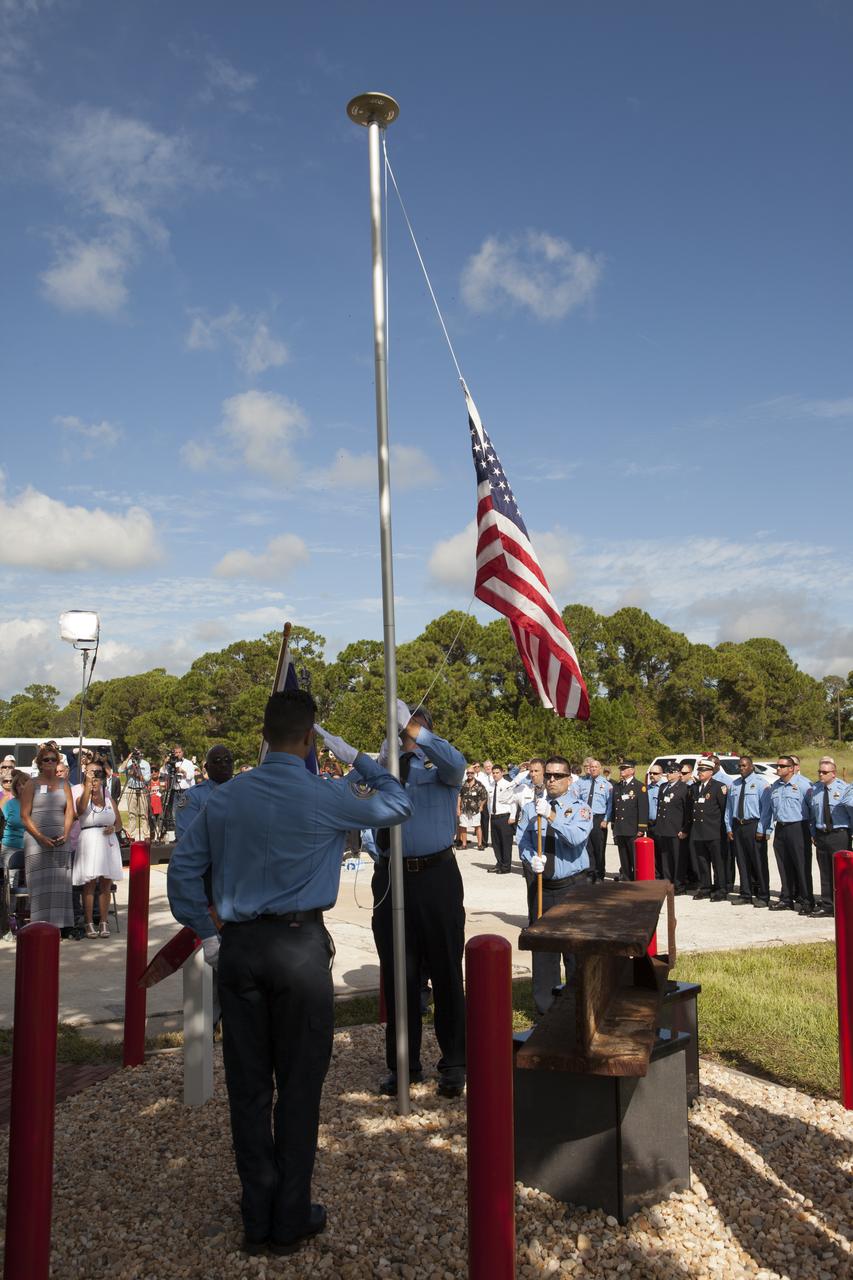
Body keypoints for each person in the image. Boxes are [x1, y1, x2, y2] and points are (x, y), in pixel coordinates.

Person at [167, 689, 411, 1257]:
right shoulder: (324, 795)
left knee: (249, 1087)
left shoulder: (224, 799)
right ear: (309, 738)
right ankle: (290, 1214)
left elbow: (184, 872)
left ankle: (258, 1214)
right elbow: (397, 803)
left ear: (264, 734)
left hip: (241, 948)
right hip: (300, 949)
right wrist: (359, 759)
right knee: (300, 1086)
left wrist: (207, 936)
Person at [371, 701, 467, 1099]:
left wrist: (419, 735)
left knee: (446, 970)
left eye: (415, 725)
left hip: (436, 876)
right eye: (402, 727)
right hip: (391, 877)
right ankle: (404, 1065)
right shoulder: (384, 765)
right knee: (399, 976)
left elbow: (456, 764)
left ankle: (455, 1063)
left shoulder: (440, 764)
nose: (405, 731)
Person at [516, 756, 593, 1015]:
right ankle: (546, 1011)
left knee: (574, 950)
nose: (551, 780)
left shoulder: (580, 808)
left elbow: (575, 838)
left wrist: (550, 816)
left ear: (569, 780)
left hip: (572, 887)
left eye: (557, 776)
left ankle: (576, 1008)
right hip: (543, 886)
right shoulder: (531, 807)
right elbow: (524, 841)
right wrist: (530, 859)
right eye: (547, 775)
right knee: (544, 950)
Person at [20, 742, 76, 930]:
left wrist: (67, 833)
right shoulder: (31, 784)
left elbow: (70, 811)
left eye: (53, 759)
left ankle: (59, 927)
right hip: (37, 842)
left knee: (61, 883)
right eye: (46, 760)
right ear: (40, 763)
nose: (50, 762)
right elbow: (24, 816)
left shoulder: (64, 784)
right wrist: (41, 837)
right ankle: (38, 926)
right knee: (39, 885)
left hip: (61, 840)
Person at [73, 757, 123, 938]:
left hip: (108, 843)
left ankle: (103, 921)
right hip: (90, 840)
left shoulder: (109, 800)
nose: (95, 777)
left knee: (105, 884)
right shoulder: (82, 795)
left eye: (98, 774)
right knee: (90, 884)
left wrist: (114, 828)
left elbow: (119, 824)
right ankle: (88, 922)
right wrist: (88, 786)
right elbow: (79, 810)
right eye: (91, 773)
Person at [760, 756, 813, 913]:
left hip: (798, 827)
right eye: (777, 766)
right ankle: (786, 899)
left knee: (802, 866)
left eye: (782, 766)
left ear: (791, 768)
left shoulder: (804, 785)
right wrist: (766, 829)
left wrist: (813, 832)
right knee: (784, 865)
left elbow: (813, 809)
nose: (778, 768)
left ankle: (806, 901)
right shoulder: (775, 786)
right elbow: (768, 811)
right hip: (781, 828)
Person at [807, 757, 852, 917]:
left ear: (833, 773)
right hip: (822, 835)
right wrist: (813, 833)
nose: (821, 774)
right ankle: (828, 905)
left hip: (839, 835)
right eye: (819, 771)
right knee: (825, 871)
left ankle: (844, 904)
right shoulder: (815, 790)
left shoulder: (844, 789)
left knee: (842, 872)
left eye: (824, 772)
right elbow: (812, 815)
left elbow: (851, 814)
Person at [725, 757, 770, 907]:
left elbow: (766, 810)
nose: (741, 768)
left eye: (744, 765)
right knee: (741, 861)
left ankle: (763, 895)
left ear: (751, 767)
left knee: (758, 861)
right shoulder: (734, 784)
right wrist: (729, 827)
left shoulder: (761, 784)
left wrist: (762, 829)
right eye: (739, 766)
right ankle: (745, 893)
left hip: (753, 825)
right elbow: (729, 808)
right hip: (738, 825)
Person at [174, 745, 235, 841]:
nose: (223, 764)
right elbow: (186, 837)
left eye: (228, 761)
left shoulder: (244, 792)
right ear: (207, 767)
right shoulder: (193, 796)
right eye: (217, 761)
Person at [690, 760, 729, 900]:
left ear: (711, 772)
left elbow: (724, 809)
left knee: (718, 862)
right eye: (699, 770)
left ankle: (721, 889)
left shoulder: (718, 787)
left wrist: (724, 830)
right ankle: (705, 887)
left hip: (714, 831)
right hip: (699, 831)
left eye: (703, 770)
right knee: (702, 861)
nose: (700, 773)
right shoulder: (694, 788)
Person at [570, 759, 612, 882]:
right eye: (590, 767)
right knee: (587, 847)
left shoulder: (607, 785)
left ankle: (599, 874)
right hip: (585, 818)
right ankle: (590, 872)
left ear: (600, 769)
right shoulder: (581, 782)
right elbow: (573, 794)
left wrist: (606, 820)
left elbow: (610, 804)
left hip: (599, 819)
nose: (592, 769)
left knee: (599, 848)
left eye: (595, 767)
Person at [0, 770, 29, 938]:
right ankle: (7, 921)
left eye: (25, 783)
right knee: (8, 886)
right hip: (10, 847)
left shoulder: (34, 803)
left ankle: (23, 916)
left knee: (27, 886)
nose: (22, 786)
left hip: (29, 847)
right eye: (18, 784)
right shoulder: (9, 804)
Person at [611, 760, 649, 881]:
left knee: (634, 857)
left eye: (624, 768)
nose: (621, 771)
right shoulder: (617, 786)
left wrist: (641, 827)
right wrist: (614, 825)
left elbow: (643, 808)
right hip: (620, 827)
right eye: (621, 769)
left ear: (632, 770)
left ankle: (637, 879)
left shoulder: (639, 787)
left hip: (633, 828)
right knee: (624, 857)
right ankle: (627, 878)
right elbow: (614, 807)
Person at [654, 763, 691, 885]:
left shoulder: (683, 788)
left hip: (676, 829)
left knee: (677, 858)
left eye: (671, 772)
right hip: (663, 828)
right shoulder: (663, 786)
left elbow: (687, 811)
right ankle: (667, 881)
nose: (668, 774)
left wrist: (685, 829)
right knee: (665, 857)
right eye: (667, 771)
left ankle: (678, 883)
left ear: (679, 773)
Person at [486, 764, 518, 874]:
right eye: (493, 773)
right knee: (496, 843)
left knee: (506, 843)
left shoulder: (507, 785)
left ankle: (506, 867)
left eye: (497, 772)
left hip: (505, 817)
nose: (495, 775)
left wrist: (513, 816)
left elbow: (513, 802)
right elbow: (490, 802)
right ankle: (499, 863)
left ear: (502, 773)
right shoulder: (490, 786)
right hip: (494, 817)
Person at [120, 750, 152, 840]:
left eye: (137, 754)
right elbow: (120, 770)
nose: (136, 756)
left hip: (142, 789)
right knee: (131, 814)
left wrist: (136, 775)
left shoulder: (145, 764)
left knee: (144, 814)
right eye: (134, 754)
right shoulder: (129, 763)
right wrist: (128, 758)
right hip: (131, 789)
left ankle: (146, 835)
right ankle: (132, 836)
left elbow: (147, 779)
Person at [457, 767, 487, 851]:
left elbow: (484, 796)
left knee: (477, 826)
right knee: (463, 826)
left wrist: (481, 806)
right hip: (464, 809)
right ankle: (464, 844)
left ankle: (480, 844)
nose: (469, 774)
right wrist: (458, 809)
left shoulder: (479, 784)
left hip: (475, 810)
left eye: (471, 773)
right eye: (468, 773)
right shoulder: (463, 784)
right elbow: (459, 797)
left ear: (474, 773)